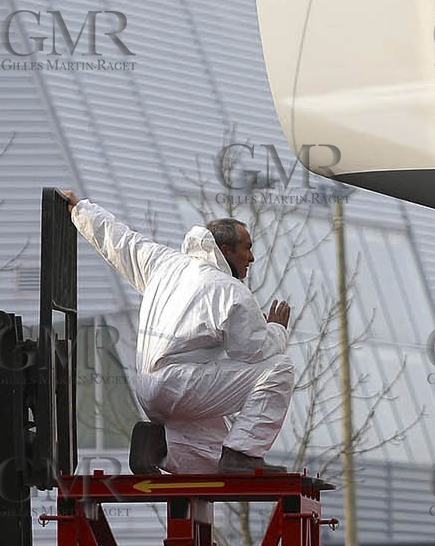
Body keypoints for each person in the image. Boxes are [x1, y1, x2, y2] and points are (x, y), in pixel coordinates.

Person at [60, 190, 294, 472]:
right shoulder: (230, 291)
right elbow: (252, 351)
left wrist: (80, 209)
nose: (252, 257)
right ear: (226, 250)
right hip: (181, 386)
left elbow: (119, 241)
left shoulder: (163, 264)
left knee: (214, 450)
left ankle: (159, 448)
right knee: (280, 369)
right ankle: (243, 455)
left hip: (149, 393)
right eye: (247, 247)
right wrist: (277, 330)